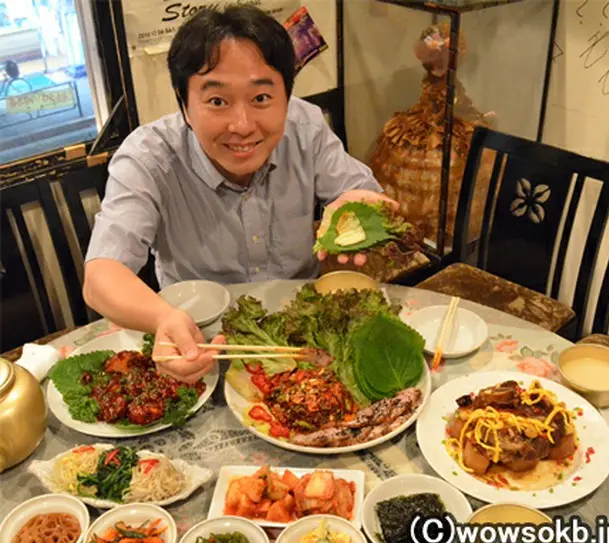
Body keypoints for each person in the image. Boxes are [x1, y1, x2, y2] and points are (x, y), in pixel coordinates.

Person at [83, 5, 396, 384]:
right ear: (185, 106)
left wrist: (360, 205)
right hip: (202, 347)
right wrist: (163, 318)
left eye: (261, 98)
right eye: (217, 101)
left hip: (303, 343)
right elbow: (102, 275)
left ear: (286, 97)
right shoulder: (149, 157)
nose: (243, 126)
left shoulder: (305, 127)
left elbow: (365, 194)